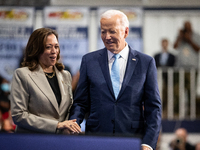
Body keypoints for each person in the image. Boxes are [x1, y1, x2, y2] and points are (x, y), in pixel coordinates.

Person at [69, 10, 162, 150]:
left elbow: (153, 109)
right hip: (96, 139)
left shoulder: (146, 63)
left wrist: (148, 143)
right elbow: (81, 103)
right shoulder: (89, 61)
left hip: (132, 140)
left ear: (126, 32)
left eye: (112, 31)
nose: (107, 37)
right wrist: (73, 125)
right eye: (103, 32)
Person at [10, 28, 81, 134]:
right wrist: (56, 125)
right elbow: (19, 115)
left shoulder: (65, 75)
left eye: (56, 47)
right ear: (36, 49)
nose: (54, 51)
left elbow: (68, 109)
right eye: (48, 47)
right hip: (32, 141)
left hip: (60, 141)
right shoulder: (22, 75)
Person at [154, 38, 176, 118]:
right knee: (158, 95)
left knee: (168, 95)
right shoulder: (156, 55)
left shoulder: (172, 56)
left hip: (168, 79)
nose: (164, 45)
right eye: (163, 43)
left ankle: (167, 112)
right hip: (158, 78)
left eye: (166, 43)